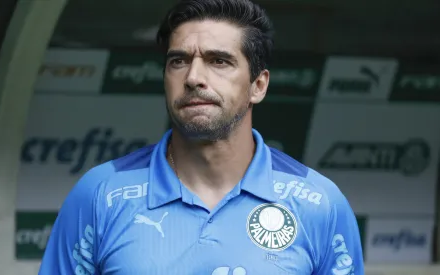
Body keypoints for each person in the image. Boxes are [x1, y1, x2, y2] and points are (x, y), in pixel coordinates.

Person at [39, 0, 364, 274]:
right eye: (178, 61)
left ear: (258, 85)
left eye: (218, 61)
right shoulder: (100, 194)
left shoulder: (319, 204)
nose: (193, 77)